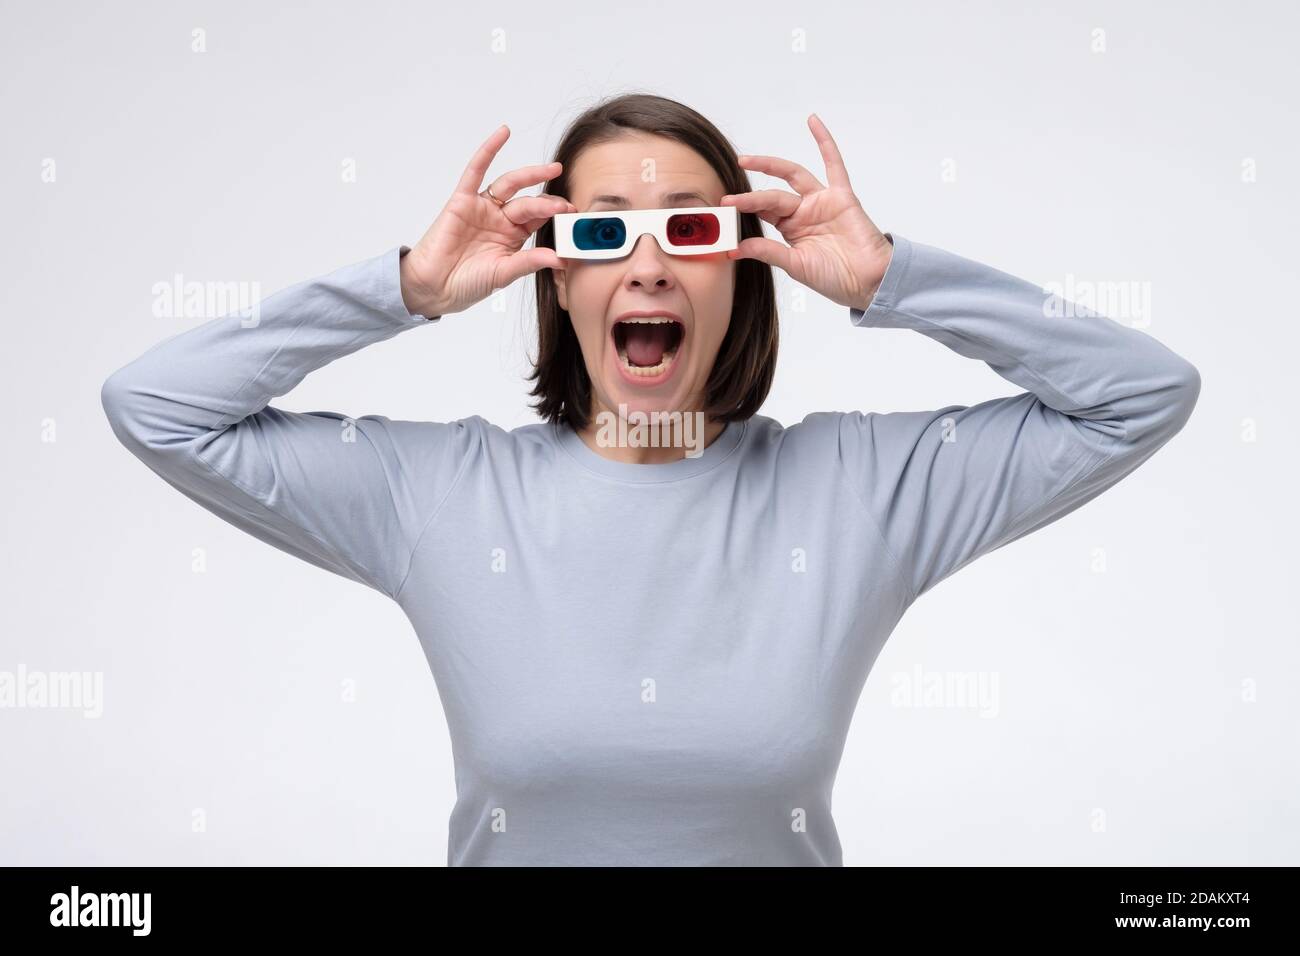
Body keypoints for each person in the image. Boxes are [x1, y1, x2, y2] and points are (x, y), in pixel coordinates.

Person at [100, 93, 1201, 866]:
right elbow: (157, 405)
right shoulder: (442, 496)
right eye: (601, 231)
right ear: (556, 279)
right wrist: (405, 288)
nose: (647, 262)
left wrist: (890, 276)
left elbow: (1139, 392)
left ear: (741, 265)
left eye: (688, 225)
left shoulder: (857, 486)